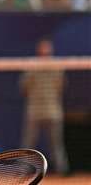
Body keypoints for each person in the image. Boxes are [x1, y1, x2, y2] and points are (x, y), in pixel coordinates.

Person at [20, 39, 69, 175]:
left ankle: (62, 171)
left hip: (53, 111)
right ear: (38, 50)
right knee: (28, 145)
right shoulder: (31, 65)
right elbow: (24, 88)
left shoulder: (58, 66)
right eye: (43, 48)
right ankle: (24, 170)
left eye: (47, 49)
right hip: (34, 111)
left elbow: (61, 87)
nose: (45, 52)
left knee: (56, 145)